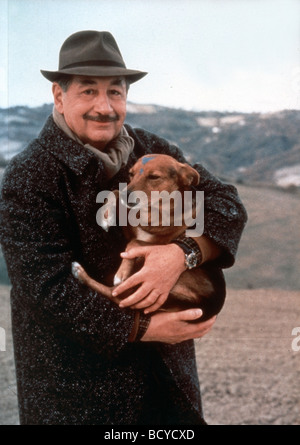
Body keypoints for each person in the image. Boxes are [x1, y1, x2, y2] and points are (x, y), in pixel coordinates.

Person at [0, 31, 247, 425]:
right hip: (76, 400)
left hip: (167, 389)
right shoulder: (29, 175)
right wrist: (143, 326)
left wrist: (182, 253)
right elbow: (46, 288)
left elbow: (225, 203)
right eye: (88, 91)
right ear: (59, 96)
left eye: (115, 92)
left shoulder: (151, 149)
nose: (105, 106)